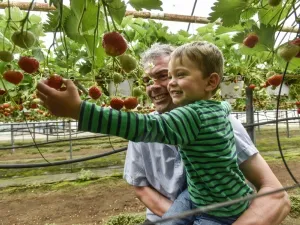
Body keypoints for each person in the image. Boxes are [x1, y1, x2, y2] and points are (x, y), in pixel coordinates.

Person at [36, 42, 291, 225]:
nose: (160, 85)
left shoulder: (218, 122)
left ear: (208, 82)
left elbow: (277, 196)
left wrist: (80, 111)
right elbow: (140, 186)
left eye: (168, 75)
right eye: (150, 80)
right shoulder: (207, 112)